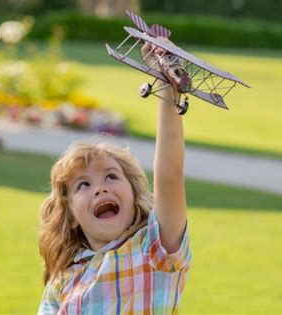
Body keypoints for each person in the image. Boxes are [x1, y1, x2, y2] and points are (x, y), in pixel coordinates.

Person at [37, 41, 191, 314]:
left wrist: (166, 85)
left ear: (133, 195)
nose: (100, 189)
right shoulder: (65, 278)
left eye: (110, 176)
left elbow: (169, 175)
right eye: (84, 184)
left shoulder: (155, 250)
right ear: (70, 216)